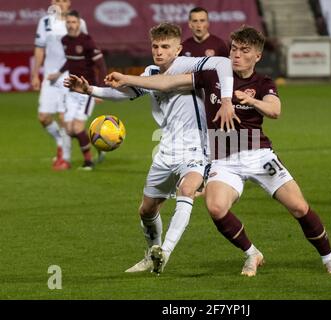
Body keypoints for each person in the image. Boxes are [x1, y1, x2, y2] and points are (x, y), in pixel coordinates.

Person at [106, 25, 331, 277]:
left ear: (258, 56)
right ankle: (252, 254)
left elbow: (275, 110)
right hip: (223, 159)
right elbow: (166, 81)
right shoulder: (212, 76)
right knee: (216, 208)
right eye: (234, 49)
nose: (237, 54)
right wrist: (127, 78)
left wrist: (251, 100)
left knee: (298, 207)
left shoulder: (262, 82)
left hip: (258, 154)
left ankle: (329, 259)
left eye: (245, 50)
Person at [64, 22, 235, 273]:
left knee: (187, 190)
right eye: (155, 46)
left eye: (166, 46)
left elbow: (223, 63)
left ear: (178, 49)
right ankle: (151, 256)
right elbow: (125, 93)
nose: (159, 51)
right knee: (147, 209)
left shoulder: (188, 65)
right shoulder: (151, 71)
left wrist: (227, 100)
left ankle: (164, 252)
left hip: (196, 148)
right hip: (166, 150)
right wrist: (89, 89)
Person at [31, 0, 87, 170]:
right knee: (44, 117)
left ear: (69, 3)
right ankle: (61, 141)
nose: (59, 4)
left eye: (63, 1)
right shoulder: (45, 22)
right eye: (56, 0)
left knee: (64, 118)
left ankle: (65, 159)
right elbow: (40, 49)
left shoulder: (79, 22)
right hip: (50, 76)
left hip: (69, 76)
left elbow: (85, 49)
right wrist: (35, 74)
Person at [48, 10, 107, 170]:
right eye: (68, 22)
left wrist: (101, 90)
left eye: (74, 22)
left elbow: (100, 65)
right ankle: (97, 145)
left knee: (77, 128)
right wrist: (58, 73)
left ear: (79, 23)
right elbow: (70, 61)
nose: (71, 25)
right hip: (71, 90)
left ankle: (88, 162)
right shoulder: (65, 40)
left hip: (87, 90)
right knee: (68, 128)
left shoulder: (87, 41)